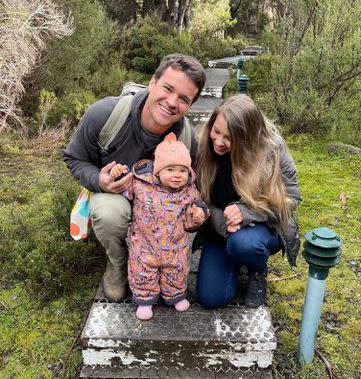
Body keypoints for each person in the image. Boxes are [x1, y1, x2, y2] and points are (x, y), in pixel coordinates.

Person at [63, 54, 206, 302]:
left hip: (160, 217)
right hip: (117, 199)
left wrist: (196, 214)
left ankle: (159, 265)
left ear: (190, 106)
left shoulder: (188, 140)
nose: (172, 102)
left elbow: (194, 188)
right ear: (152, 83)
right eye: (168, 89)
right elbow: (75, 158)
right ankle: (117, 262)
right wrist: (99, 180)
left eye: (183, 99)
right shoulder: (104, 114)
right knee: (109, 213)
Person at [194, 94, 301, 309]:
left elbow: (291, 197)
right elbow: (199, 198)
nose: (219, 142)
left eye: (230, 137)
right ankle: (235, 258)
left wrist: (248, 213)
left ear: (248, 138)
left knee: (244, 244)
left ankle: (257, 269)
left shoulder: (272, 148)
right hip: (220, 227)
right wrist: (223, 223)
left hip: (262, 228)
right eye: (217, 131)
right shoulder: (204, 145)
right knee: (212, 298)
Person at [110, 133, 208, 320]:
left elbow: (199, 202)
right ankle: (145, 300)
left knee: (176, 270)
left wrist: (200, 212)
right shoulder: (140, 184)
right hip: (145, 245)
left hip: (175, 246)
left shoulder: (188, 190)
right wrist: (117, 175)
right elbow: (120, 189)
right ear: (157, 171)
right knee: (143, 272)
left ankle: (175, 295)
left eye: (182, 170)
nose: (177, 175)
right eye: (170, 169)